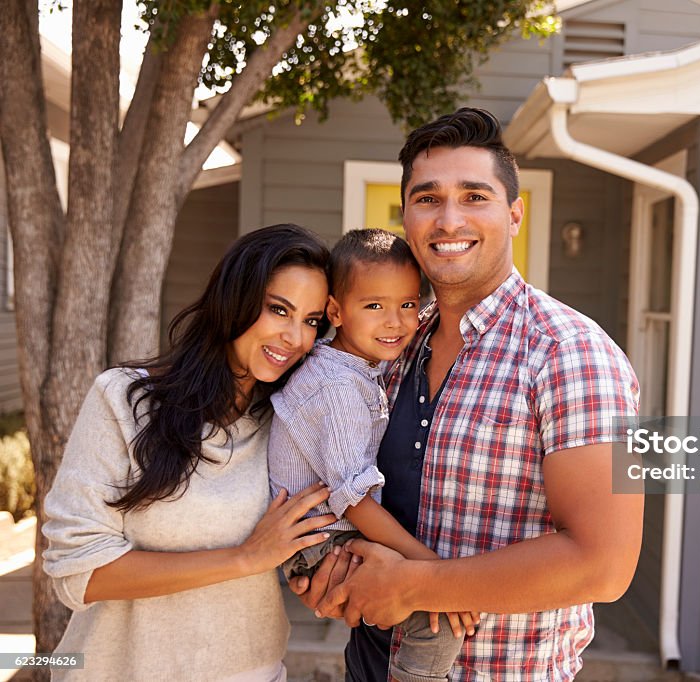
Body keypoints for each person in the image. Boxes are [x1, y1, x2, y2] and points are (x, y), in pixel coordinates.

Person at [292, 108, 644, 680]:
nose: (448, 219)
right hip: (368, 664)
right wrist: (328, 575)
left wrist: (416, 586)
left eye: (474, 196)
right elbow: (328, 467)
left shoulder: (576, 354)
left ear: (514, 215)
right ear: (406, 217)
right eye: (428, 199)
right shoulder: (393, 341)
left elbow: (606, 565)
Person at [43, 224, 336, 681]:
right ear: (234, 300)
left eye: (312, 321)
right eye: (279, 309)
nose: (295, 338)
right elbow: (77, 572)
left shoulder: (291, 423)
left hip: (250, 671)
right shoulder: (123, 400)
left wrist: (318, 575)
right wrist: (245, 558)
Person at [268, 228, 473, 682]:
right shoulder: (339, 388)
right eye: (375, 306)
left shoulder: (356, 364)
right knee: (434, 616)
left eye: (407, 304)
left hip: (329, 532)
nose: (396, 322)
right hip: (321, 542)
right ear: (337, 312)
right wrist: (431, 571)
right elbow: (355, 499)